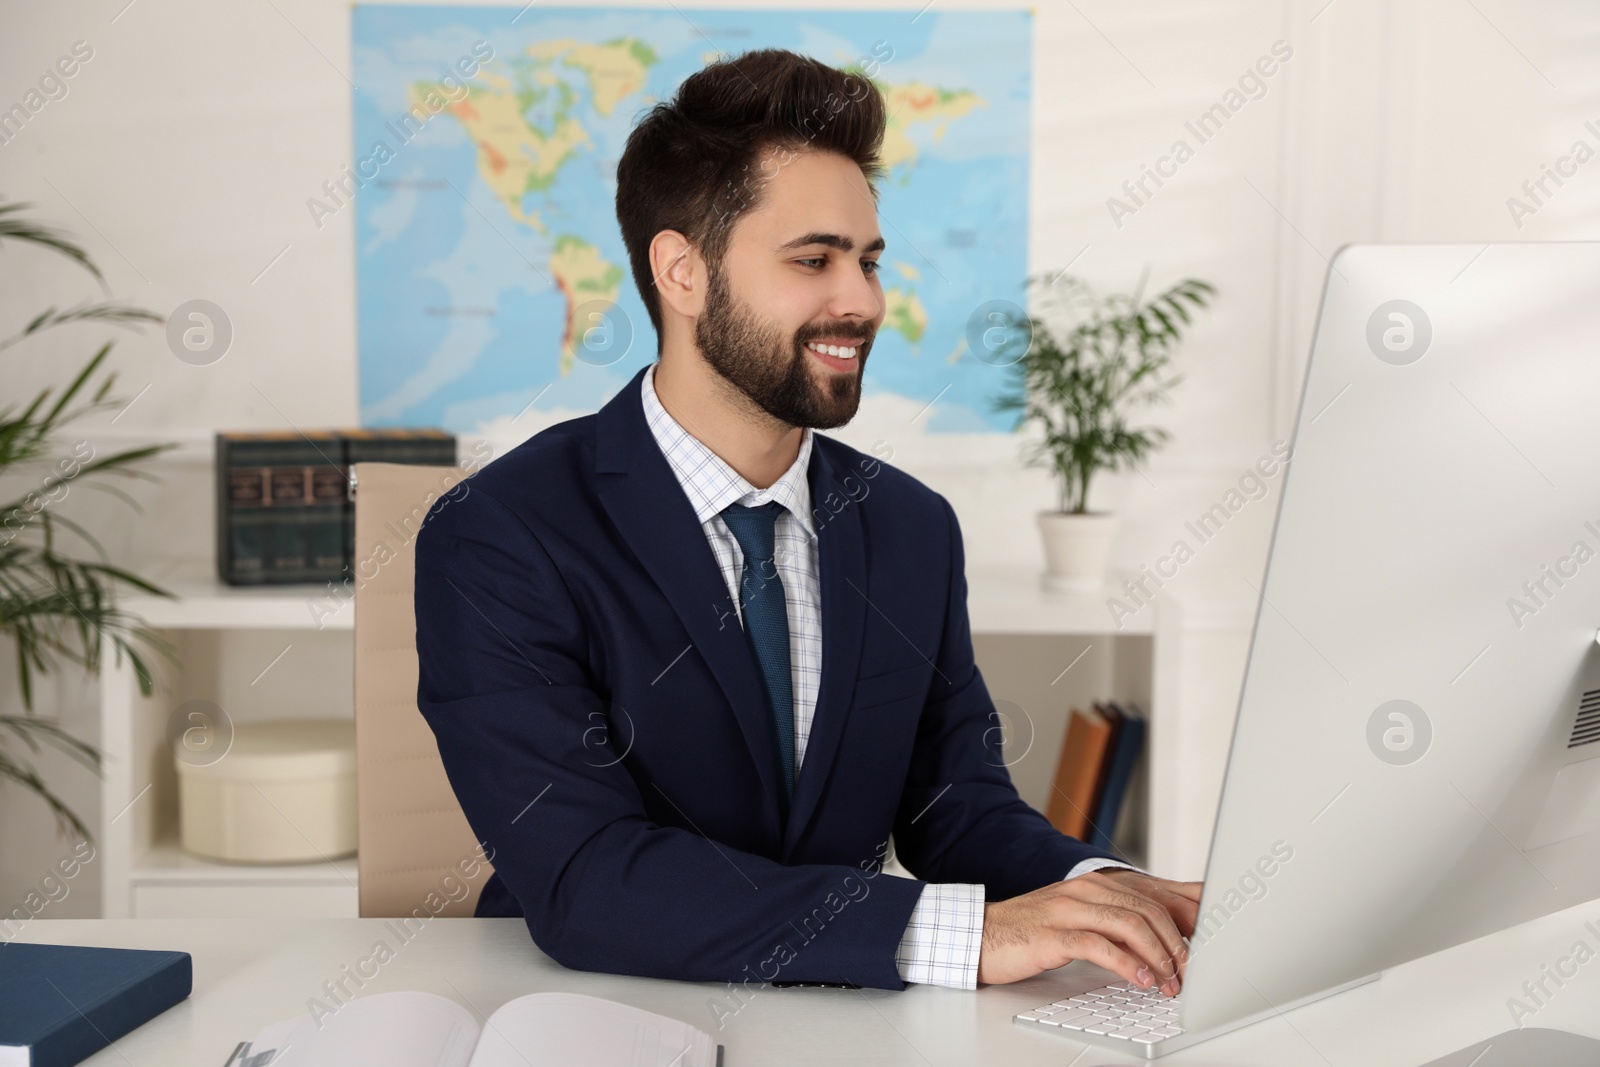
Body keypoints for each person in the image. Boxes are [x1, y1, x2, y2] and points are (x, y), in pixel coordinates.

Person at [414, 47, 1200, 995]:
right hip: (593, 1011)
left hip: (842, 1022)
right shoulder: (501, 532)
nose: (863, 300)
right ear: (682, 271)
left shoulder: (912, 527)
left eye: (868, 261)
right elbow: (588, 877)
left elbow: (957, 810)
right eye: (814, 260)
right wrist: (962, 938)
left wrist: (1111, 895)